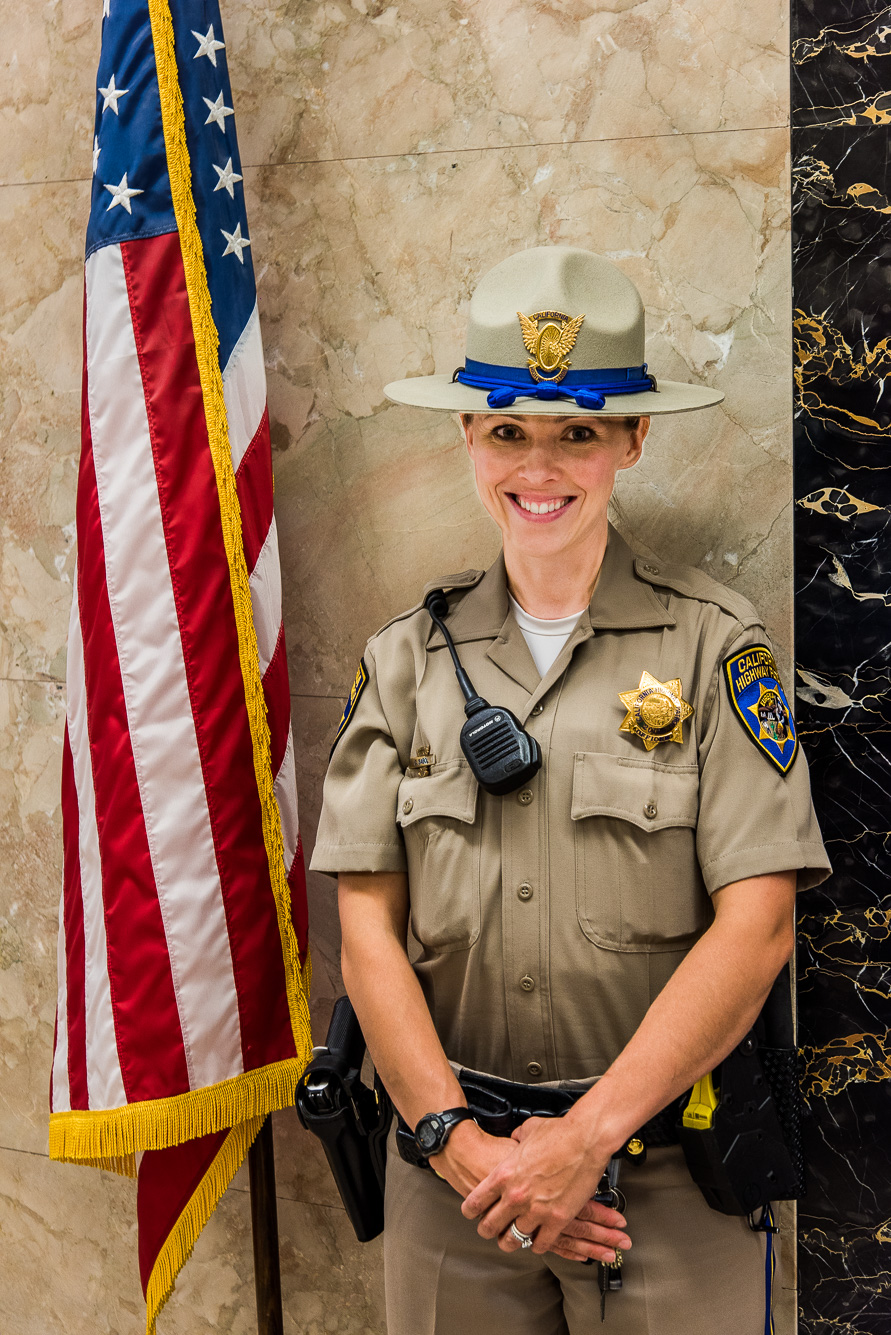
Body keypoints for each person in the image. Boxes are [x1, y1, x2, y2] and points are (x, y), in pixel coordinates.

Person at [310, 246, 830, 1335]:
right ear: (466, 435)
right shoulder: (405, 664)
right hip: (457, 1184)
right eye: (507, 431)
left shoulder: (714, 650)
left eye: (577, 433)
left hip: (668, 1189)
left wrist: (583, 1140)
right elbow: (366, 934)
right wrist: (463, 1148)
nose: (537, 468)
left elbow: (760, 923)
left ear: (633, 437)